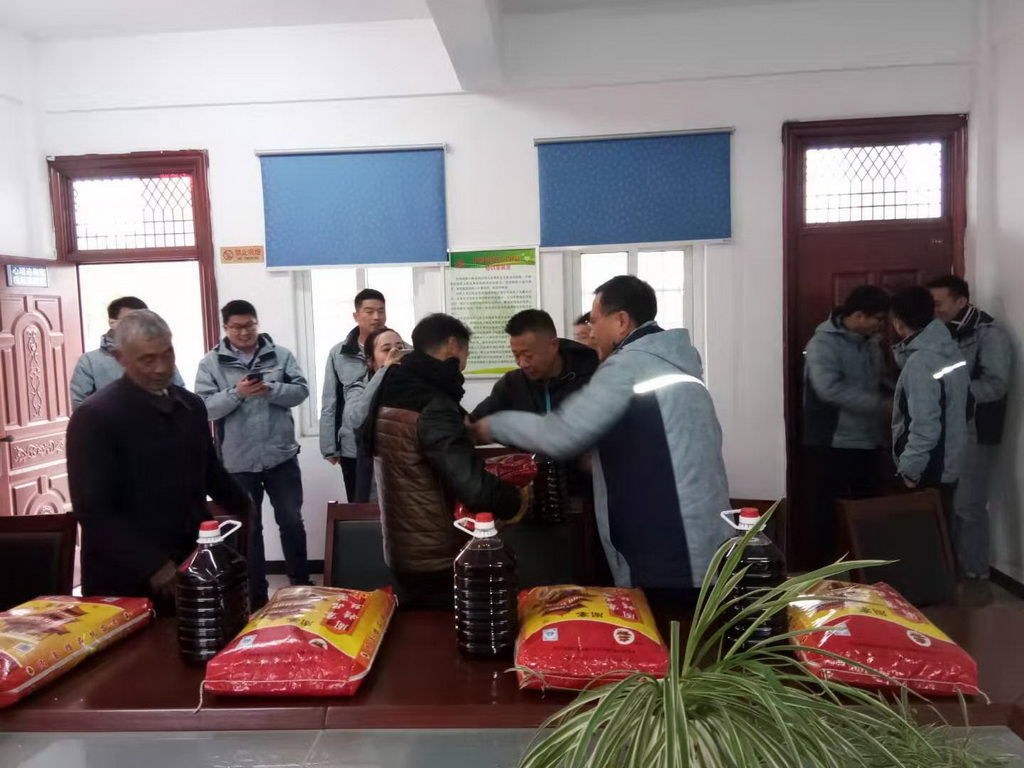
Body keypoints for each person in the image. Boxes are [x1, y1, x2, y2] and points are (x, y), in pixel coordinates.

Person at [473, 276, 730, 605]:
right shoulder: (674, 364)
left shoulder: (627, 366)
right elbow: (653, 445)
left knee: (666, 627)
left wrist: (490, 426)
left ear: (621, 321)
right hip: (702, 537)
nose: (590, 332)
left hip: (667, 544)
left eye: (595, 321)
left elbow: (560, 434)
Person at [66, 310, 251, 611]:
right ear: (121, 358)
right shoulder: (97, 416)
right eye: (147, 360)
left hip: (189, 560)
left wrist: (244, 507)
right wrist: (152, 565)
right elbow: (93, 509)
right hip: (125, 575)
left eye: (167, 354)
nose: (161, 368)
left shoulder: (190, 406)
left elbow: (210, 471)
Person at [364, 313, 525, 609]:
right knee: (456, 631)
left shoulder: (391, 389)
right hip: (438, 557)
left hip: (403, 551)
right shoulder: (432, 403)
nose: (463, 366)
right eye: (465, 355)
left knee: (420, 633)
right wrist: (516, 499)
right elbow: (473, 487)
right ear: (452, 345)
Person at [195, 300, 311, 610]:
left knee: (292, 521)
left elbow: (301, 391)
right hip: (237, 462)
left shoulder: (281, 355)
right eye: (236, 327)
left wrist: (271, 390)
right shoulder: (211, 364)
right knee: (250, 528)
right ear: (225, 328)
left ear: (257, 323)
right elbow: (203, 408)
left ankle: (301, 586)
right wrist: (238, 393)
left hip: (281, 456)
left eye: (249, 325)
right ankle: (256, 596)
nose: (244, 332)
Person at [928, 275, 1011, 579]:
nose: (934, 309)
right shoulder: (940, 332)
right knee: (946, 502)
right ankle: (952, 572)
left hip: (976, 430)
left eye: (939, 303)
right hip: (945, 430)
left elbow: (995, 386)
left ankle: (975, 574)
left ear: (961, 301)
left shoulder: (989, 334)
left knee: (968, 505)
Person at [802, 285, 891, 562]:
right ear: (860, 315)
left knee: (868, 511)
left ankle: (866, 571)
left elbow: (880, 380)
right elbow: (828, 390)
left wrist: (901, 396)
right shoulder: (822, 344)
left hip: (870, 440)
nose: (881, 325)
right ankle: (821, 571)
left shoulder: (871, 343)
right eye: (878, 319)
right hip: (834, 442)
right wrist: (881, 406)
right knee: (827, 513)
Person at [890, 286, 971, 521]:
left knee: (925, 538)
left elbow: (925, 425)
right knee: (942, 533)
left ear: (898, 323)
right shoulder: (950, 349)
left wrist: (910, 471)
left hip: (927, 468)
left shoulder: (921, 361)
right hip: (949, 461)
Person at [470, 309, 598, 421]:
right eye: (516, 355)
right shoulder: (512, 384)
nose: (522, 364)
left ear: (553, 345)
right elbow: (472, 424)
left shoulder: (592, 377)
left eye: (528, 355)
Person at [320, 289, 386, 501]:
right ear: (356, 316)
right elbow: (330, 401)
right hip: (352, 446)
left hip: (390, 444)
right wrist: (329, 447)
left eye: (381, 311)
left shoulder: (401, 351)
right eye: (369, 311)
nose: (376, 317)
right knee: (359, 505)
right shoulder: (339, 353)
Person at [70, 296, 184, 409]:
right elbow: (81, 404)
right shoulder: (90, 362)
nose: (159, 368)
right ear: (112, 323)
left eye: (145, 321)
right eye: (131, 321)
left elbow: (180, 394)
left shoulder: (162, 357)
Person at [342, 327, 407, 502]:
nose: (395, 353)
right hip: (376, 476)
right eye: (386, 350)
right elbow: (356, 419)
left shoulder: (413, 386)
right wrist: (385, 370)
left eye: (400, 348)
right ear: (370, 361)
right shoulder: (359, 388)